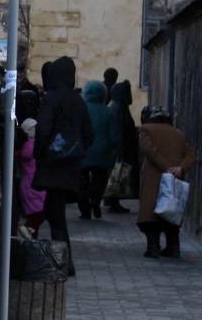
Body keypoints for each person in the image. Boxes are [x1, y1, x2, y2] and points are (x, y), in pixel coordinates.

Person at [32, 57, 93, 275]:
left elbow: (43, 130)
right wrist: (75, 150)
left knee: (54, 214)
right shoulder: (79, 101)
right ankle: (61, 259)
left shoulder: (52, 99)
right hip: (71, 166)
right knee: (53, 211)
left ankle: (64, 261)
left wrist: (40, 153)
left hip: (53, 165)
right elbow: (89, 134)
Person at [137, 108, 196, 258]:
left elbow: (149, 151)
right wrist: (180, 168)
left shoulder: (145, 130)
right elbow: (190, 156)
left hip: (154, 178)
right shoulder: (179, 133)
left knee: (151, 216)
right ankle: (173, 248)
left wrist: (166, 167)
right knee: (171, 214)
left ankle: (153, 247)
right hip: (175, 178)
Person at [78, 80, 120, 220]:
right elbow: (114, 136)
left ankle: (84, 210)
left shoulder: (81, 110)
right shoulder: (108, 112)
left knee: (82, 181)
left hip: (83, 152)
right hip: (102, 153)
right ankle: (95, 201)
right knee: (99, 180)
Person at [104, 80, 137, 214]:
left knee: (119, 174)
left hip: (120, 147)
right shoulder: (118, 108)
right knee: (118, 174)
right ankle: (113, 200)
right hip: (120, 149)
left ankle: (113, 200)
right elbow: (119, 130)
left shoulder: (117, 107)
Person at [17, 117, 45, 236]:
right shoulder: (31, 145)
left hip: (29, 182)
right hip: (33, 183)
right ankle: (29, 228)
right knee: (39, 211)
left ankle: (30, 229)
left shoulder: (24, 145)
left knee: (35, 211)